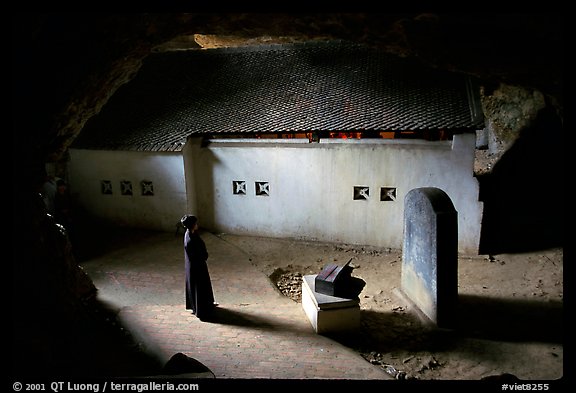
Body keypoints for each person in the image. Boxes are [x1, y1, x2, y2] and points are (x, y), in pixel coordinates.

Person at [181, 214, 217, 320]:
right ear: (192, 225)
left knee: (202, 286)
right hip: (196, 266)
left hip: (196, 265)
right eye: (196, 223)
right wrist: (203, 256)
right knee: (199, 287)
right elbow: (196, 254)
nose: (197, 225)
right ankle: (201, 309)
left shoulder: (191, 234)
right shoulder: (190, 240)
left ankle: (206, 304)